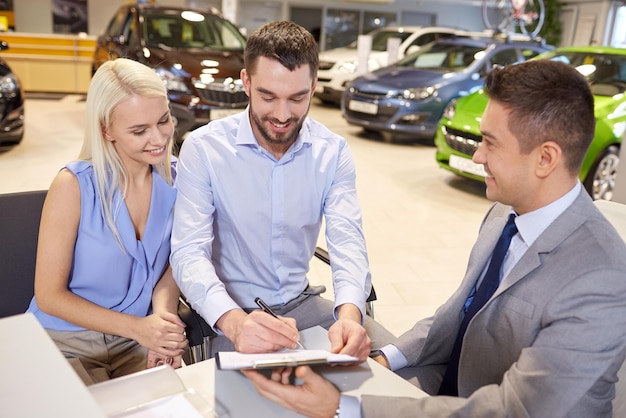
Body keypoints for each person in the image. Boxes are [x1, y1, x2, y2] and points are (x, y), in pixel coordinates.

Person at [242, 59, 626, 417]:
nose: (477, 156)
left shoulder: (601, 276)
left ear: (545, 159)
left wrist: (346, 407)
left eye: (490, 143)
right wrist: (383, 360)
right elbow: (459, 313)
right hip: (452, 385)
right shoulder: (504, 214)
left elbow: (514, 409)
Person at [170, 20, 395, 360]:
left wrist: (349, 314)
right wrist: (234, 323)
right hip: (232, 314)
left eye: (297, 97)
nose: (282, 114)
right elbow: (188, 252)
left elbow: (347, 240)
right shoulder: (204, 149)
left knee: (404, 367)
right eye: (268, 96)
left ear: (314, 85)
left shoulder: (331, 152)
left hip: (303, 304)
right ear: (246, 82)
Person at [26, 58, 188, 385]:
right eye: (139, 130)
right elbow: (49, 296)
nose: (158, 138)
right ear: (106, 129)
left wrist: (163, 322)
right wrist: (139, 329)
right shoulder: (73, 186)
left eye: (163, 121)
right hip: (65, 343)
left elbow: (176, 262)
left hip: (138, 339)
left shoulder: (180, 178)